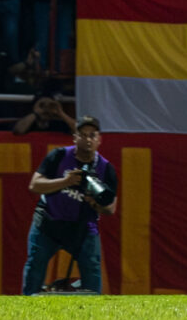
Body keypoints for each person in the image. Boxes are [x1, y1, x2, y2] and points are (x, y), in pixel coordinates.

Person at [22, 116, 117, 295]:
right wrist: (66, 181)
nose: (87, 139)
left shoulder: (106, 169)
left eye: (92, 135)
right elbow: (34, 185)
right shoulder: (58, 156)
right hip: (48, 223)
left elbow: (110, 208)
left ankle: (94, 316)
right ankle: (25, 309)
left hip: (83, 228)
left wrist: (94, 203)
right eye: (83, 135)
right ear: (75, 137)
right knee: (34, 269)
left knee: (92, 276)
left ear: (99, 140)